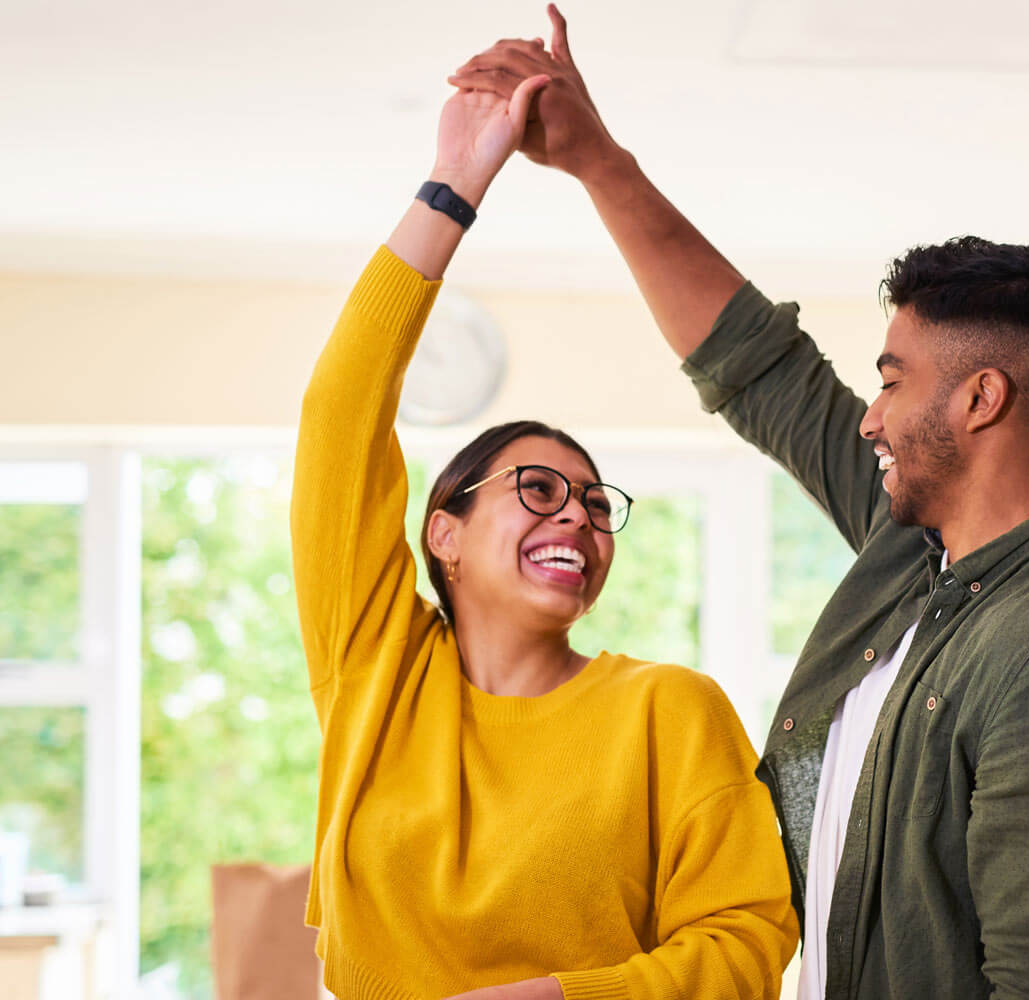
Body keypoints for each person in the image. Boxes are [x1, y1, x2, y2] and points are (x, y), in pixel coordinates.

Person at [449, 10, 1029, 999]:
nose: (868, 417)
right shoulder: (919, 551)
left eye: (891, 380)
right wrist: (595, 161)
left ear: (979, 400)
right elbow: (761, 373)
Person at [291, 61, 796, 1000]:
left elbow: (746, 944)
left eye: (597, 505)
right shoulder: (376, 676)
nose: (578, 513)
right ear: (443, 531)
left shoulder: (669, 714)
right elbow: (338, 417)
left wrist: (552, 998)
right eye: (538, 488)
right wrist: (454, 183)